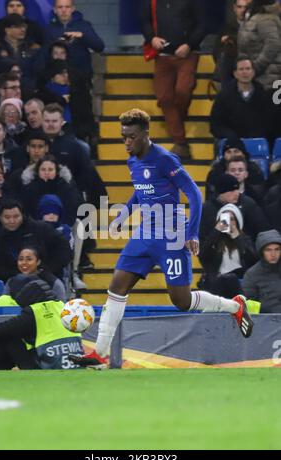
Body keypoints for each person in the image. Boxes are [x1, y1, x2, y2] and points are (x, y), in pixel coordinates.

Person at [69, 109, 254, 369]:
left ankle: (234, 306)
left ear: (146, 133)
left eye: (131, 137)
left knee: (182, 301)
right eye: (123, 137)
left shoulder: (166, 160)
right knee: (116, 286)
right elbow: (140, 192)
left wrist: (190, 233)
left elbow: (194, 195)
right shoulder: (132, 160)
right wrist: (124, 213)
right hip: (145, 233)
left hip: (171, 235)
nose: (126, 143)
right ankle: (99, 354)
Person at [141, 0, 205, 159]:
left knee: (183, 90)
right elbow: (144, 21)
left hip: (187, 54)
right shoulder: (151, 2)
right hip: (162, 56)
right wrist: (152, 38)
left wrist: (189, 45)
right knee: (164, 97)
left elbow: (202, 24)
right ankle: (181, 142)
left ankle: (177, 122)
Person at [0, 275, 83, 370]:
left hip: (50, 368)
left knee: (6, 339)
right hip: (76, 365)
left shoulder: (35, 311)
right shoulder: (62, 305)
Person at [0, 199, 71, 282]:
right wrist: (19, 275)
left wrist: (46, 271)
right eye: (7, 217)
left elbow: (65, 250)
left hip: (48, 279)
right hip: (15, 284)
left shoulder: (41, 229)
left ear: (22, 215)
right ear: (0, 218)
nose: (12, 221)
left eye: (16, 216)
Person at [199, 203, 257, 297]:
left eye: (232, 219)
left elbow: (252, 260)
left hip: (240, 283)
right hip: (217, 283)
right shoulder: (214, 241)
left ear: (238, 222)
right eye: (225, 219)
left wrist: (237, 237)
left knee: (232, 279)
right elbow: (203, 255)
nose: (229, 222)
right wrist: (216, 231)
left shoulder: (245, 239)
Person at [242, 229, 281, 313]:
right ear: (262, 252)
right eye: (268, 250)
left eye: (277, 249)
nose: (273, 254)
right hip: (267, 322)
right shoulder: (252, 275)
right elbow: (249, 307)